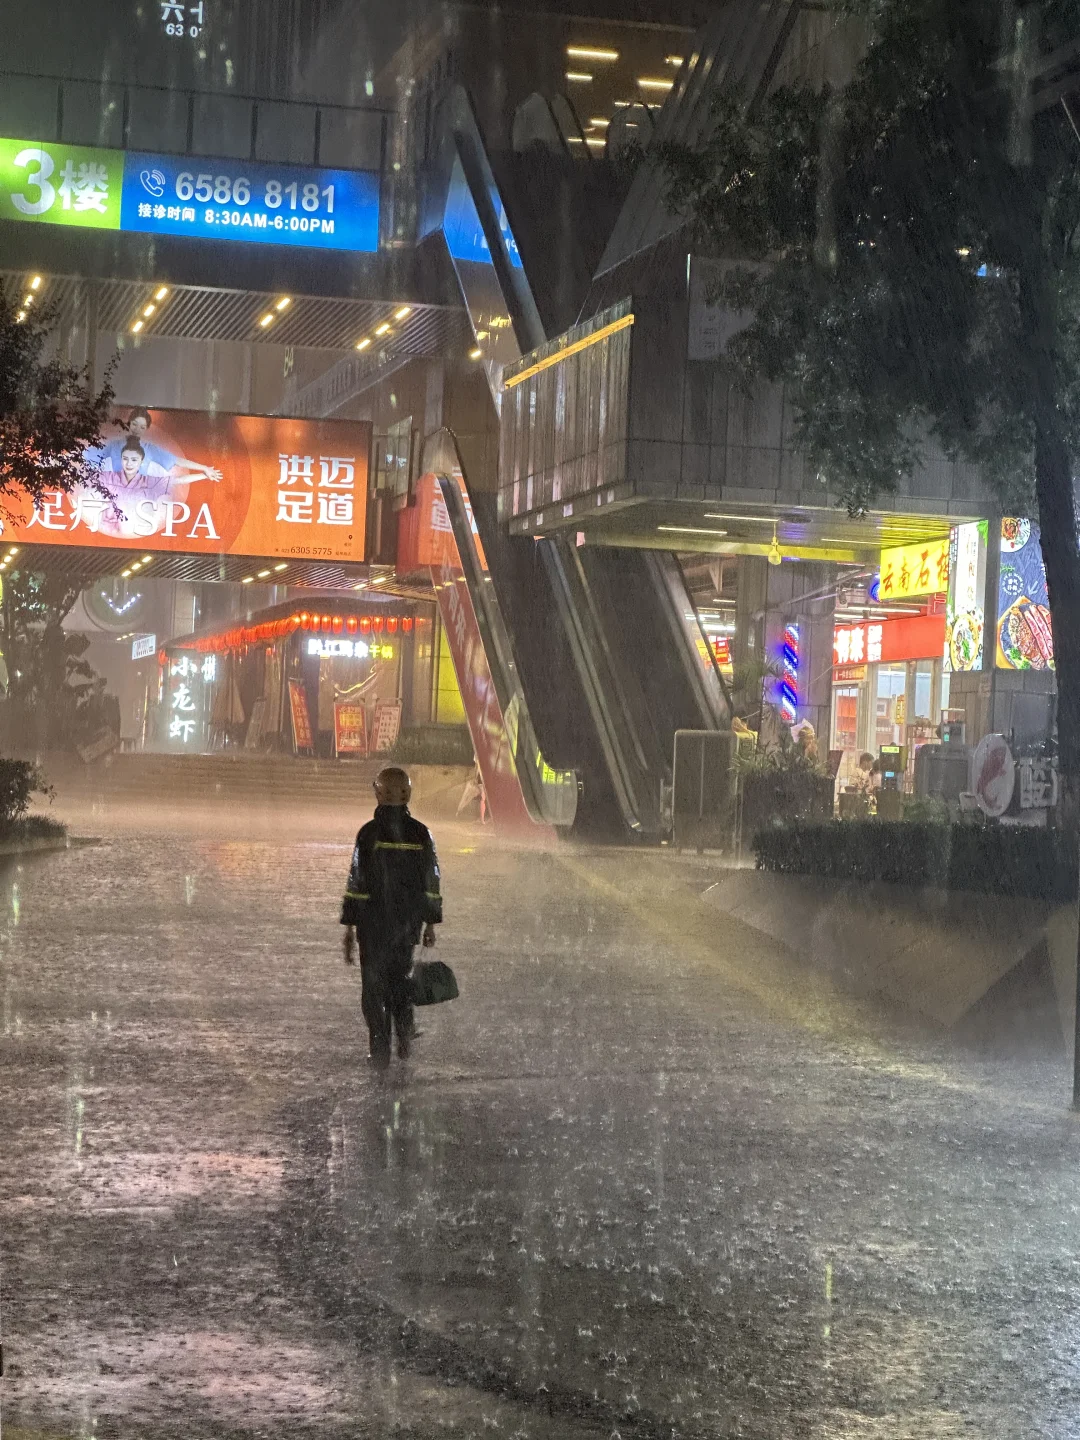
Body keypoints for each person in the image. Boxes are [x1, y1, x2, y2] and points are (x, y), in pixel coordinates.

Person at [341, 765, 442, 1068]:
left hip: (372, 926)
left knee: (373, 988)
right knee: (400, 980)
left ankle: (379, 1047)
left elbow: (357, 881)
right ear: (407, 794)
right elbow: (432, 880)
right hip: (407, 925)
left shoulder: (368, 834)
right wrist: (430, 922)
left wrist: (349, 927)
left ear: (379, 794)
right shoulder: (421, 834)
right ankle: (405, 1032)